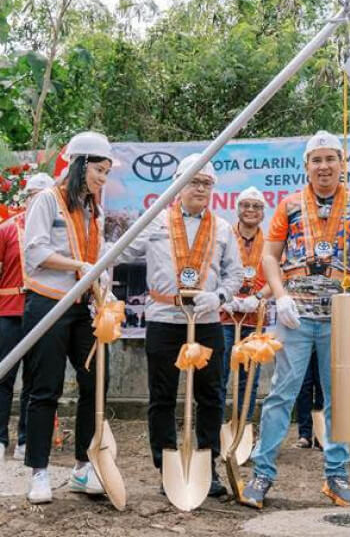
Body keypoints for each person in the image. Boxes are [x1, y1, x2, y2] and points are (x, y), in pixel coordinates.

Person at [241, 130, 350, 508]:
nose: (324, 166)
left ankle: (337, 476)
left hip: (339, 315)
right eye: (317, 160)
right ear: (306, 165)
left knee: (339, 398)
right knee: (281, 394)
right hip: (296, 315)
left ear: (342, 164)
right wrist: (280, 297)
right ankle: (262, 474)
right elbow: (270, 256)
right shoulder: (289, 205)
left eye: (331, 159)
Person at [115, 153, 243, 498]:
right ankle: (166, 465)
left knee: (211, 396)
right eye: (194, 181)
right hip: (164, 319)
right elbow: (120, 253)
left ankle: (207, 465)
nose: (200, 188)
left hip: (205, 321)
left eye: (206, 183)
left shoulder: (223, 228)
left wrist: (218, 297)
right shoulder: (155, 221)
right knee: (162, 397)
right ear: (178, 185)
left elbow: (234, 274)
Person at [22, 132, 116, 504]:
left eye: (107, 172)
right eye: (98, 170)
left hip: (83, 307)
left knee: (95, 382)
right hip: (48, 303)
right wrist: (80, 265)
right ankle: (39, 472)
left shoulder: (95, 209)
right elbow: (35, 252)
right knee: (45, 388)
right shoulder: (47, 201)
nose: (102, 179)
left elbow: (99, 254)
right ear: (79, 165)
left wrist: (102, 279)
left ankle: (83, 466)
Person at [0, 172, 55, 464]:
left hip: (44, 313)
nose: (39, 201)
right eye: (34, 194)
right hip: (10, 312)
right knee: (3, 377)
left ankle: (27, 439)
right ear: (27, 198)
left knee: (37, 380)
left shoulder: (57, 230)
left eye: (45, 195)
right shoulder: (7, 230)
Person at [220, 186, 271, 424]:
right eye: (246, 205)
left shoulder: (271, 242)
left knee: (249, 377)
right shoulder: (223, 236)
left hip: (255, 317)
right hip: (223, 316)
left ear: (263, 212)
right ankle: (216, 427)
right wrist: (224, 297)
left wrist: (258, 298)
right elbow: (210, 270)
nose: (251, 210)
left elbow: (279, 276)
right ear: (237, 208)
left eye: (257, 206)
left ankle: (243, 427)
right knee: (218, 375)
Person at [293, 347, 324, 449]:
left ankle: (322, 436)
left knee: (323, 385)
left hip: (325, 342)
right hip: (301, 343)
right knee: (303, 386)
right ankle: (305, 435)